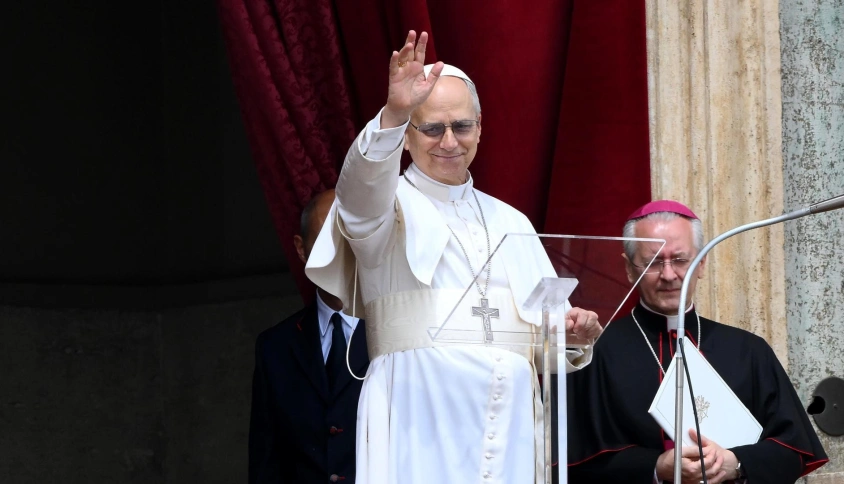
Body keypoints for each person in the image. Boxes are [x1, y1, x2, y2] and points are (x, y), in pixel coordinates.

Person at [305, 31, 602, 484]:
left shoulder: (513, 222)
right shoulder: (385, 209)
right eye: (430, 128)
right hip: (418, 416)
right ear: (407, 136)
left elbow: (547, 339)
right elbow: (358, 191)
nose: (449, 141)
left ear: (480, 127)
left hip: (510, 429)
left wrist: (573, 334)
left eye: (461, 126)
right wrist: (393, 113)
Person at [566, 200, 828, 483]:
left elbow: (794, 450)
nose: (668, 275)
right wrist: (655, 468)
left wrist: (737, 462)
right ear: (630, 268)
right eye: (654, 262)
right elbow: (574, 463)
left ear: (701, 263)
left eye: (680, 260)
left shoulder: (748, 351)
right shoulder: (597, 353)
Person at [249, 189, 369, 484]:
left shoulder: (398, 331)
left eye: (350, 237)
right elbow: (266, 464)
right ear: (302, 249)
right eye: (328, 239)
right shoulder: (275, 348)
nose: (341, 251)